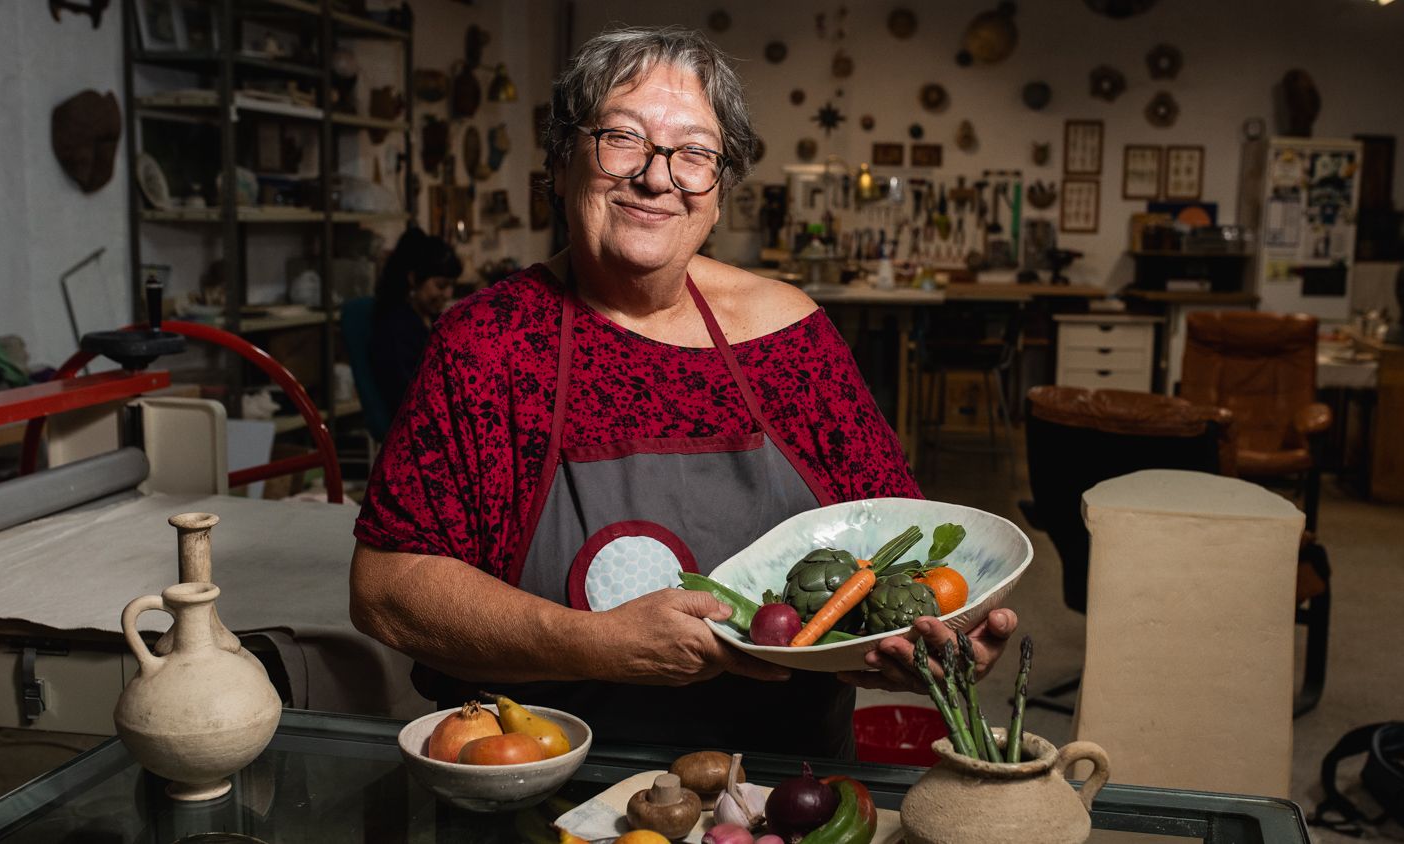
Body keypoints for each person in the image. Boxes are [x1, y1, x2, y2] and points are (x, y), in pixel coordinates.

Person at [350, 26, 1017, 758]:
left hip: (779, 791)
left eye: (695, 153)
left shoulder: (791, 340)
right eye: (623, 139)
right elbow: (387, 589)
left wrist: (920, 643)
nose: (658, 177)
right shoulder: (491, 344)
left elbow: (903, 554)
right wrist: (593, 643)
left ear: (720, 191)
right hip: (543, 772)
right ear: (561, 162)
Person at [368, 227, 462, 412]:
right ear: (413, 279)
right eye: (440, 285)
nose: (448, 294)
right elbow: (408, 398)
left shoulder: (433, 319)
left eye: (452, 286)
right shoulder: (394, 329)